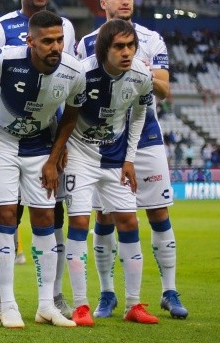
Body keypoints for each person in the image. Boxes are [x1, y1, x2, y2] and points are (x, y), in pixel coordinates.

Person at [76, 0, 188, 320]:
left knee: (158, 212)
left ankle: (169, 290)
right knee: (105, 216)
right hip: (100, 140)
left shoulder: (151, 39)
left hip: (146, 136)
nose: (125, 1)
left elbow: (164, 89)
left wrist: (137, 69)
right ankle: (107, 293)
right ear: (103, 3)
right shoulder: (86, 43)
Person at [47, 19, 158, 327]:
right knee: (80, 221)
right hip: (81, 157)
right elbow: (59, 108)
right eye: (119, 47)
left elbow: (138, 116)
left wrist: (130, 159)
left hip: (114, 158)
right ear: (103, 49)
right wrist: (60, 146)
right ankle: (81, 305)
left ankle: (134, 304)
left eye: (131, 46)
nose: (127, 52)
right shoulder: (81, 73)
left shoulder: (142, 76)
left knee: (129, 221)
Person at [0, 0, 76, 319]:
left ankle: (52, 298)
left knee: (52, 216)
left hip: (45, 136)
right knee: (8, 213)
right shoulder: (0, 28)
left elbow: (69, 79)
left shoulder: (64, 25)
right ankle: (4, 299)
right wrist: (7, 100)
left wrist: (60, 144)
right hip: (5, 132)